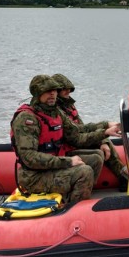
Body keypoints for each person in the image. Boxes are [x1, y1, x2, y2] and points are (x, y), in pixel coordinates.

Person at [11, 75, 121, 203]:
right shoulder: (27, 119)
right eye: (48, 91)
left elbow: (77, 134)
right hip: (34, 176)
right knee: (84, 172)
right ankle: (73, 209)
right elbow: (29, 157)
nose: (53, 94)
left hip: (53, 166)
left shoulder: (56, 113)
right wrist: (67, 162)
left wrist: (104, 132)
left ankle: (76, 198)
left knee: (95, 159)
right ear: (37, 93)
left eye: (55, 90)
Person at [51, 73, 129, 190]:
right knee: (98, 153)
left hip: (76, 140)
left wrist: (103, 139)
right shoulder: (56, 110)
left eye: (69, 89)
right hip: (69, 145)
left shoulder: (69, 105)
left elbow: (82, 127)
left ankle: (123, 176)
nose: (68, 92)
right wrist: (104, 132)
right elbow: (75, 137)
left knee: (105, 141)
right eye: (64, 89)